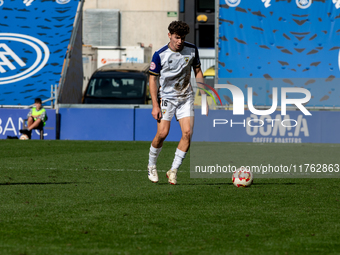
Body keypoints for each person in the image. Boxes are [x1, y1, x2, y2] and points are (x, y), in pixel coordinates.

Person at [147, 21, 207, 185]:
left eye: (182, 38)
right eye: (176, 37)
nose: (180, 41)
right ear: (170, 36)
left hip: (186, 97)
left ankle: (173, 170)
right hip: (166, 98)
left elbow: (198, 71)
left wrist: (203, 95)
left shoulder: (192, 49)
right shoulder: (160, 55)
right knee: (162, 134)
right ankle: (151, 165)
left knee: (187, 133)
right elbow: (153, 79)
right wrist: (155, 105)